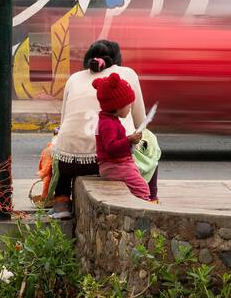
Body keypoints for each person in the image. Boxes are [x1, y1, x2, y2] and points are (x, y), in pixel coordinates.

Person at [48, 40, 155, 216]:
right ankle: (150, 196)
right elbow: (140, 122)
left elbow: (64, 122)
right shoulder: (127, 74)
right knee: (151, 142)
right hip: (108, 162)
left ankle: (62, 202)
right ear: (117, 59)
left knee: (61, 144)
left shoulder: (74, 78)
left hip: (69, 164)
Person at [92, 70, 154, 202]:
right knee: (142, 188)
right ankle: (143, 210)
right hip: (114, 166)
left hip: (119, 164)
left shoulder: (110, 121)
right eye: (128, 104)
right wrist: (129, 140)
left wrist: (130, 139)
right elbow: (111, 147)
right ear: (116, 106)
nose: (130, 107)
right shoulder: (108, 124)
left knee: (137, 181)